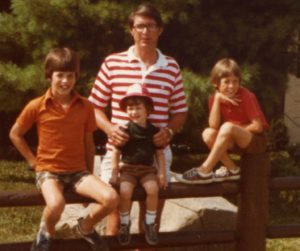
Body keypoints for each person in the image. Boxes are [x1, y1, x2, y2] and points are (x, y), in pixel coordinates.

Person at [88, 3, 187, 236]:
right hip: (119, 154)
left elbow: (181, 111)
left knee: (150, 220)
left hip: (156, 155)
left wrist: (170, 132)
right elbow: (93, 107)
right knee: (115, 219)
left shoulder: (171, 66)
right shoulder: (113, 63)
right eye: (140, 26)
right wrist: (110, 128)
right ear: (131, 30)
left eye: (151, 26)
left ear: (160, 30)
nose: (145, 32)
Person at [9, 47, 119, 251]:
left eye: (70, 76)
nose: (65, 81)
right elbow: (15, 134)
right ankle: (46, 231)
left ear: (76, 76)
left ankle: (85, 227)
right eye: (60, 75)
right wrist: (32, 161)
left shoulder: (86, 107)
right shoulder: (37, 105)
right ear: (49, 75)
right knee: (56, 203)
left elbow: (88, 143)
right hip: (49, 172)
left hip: (78, 172)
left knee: (111, 198)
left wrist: (89, 173)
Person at [178, 58, 269, 184]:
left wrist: (232, 129)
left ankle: (204, 170)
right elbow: (213, 125)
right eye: (226, 82)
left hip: (255, 141)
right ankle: (233, 169)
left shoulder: (246, 95)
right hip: (234, 141)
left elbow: (258, 126)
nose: (231, 86)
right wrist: (217, 99)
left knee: (227, 127)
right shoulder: (215, 98)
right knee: (207, 133)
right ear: (216, 83)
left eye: (235, 81)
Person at [109, 84, 167, 246]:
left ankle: (149, 223)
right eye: (130, 109)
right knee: (125, 191)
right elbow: (116, 152)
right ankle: (125, 224)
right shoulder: (125, 130)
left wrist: (161, 174)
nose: (133, 112)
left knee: (153, 189)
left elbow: (159, 153)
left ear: (148, 109)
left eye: (138, 108)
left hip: (147, 169)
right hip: (128, 168)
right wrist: (114, 173)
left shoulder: (154, 131)